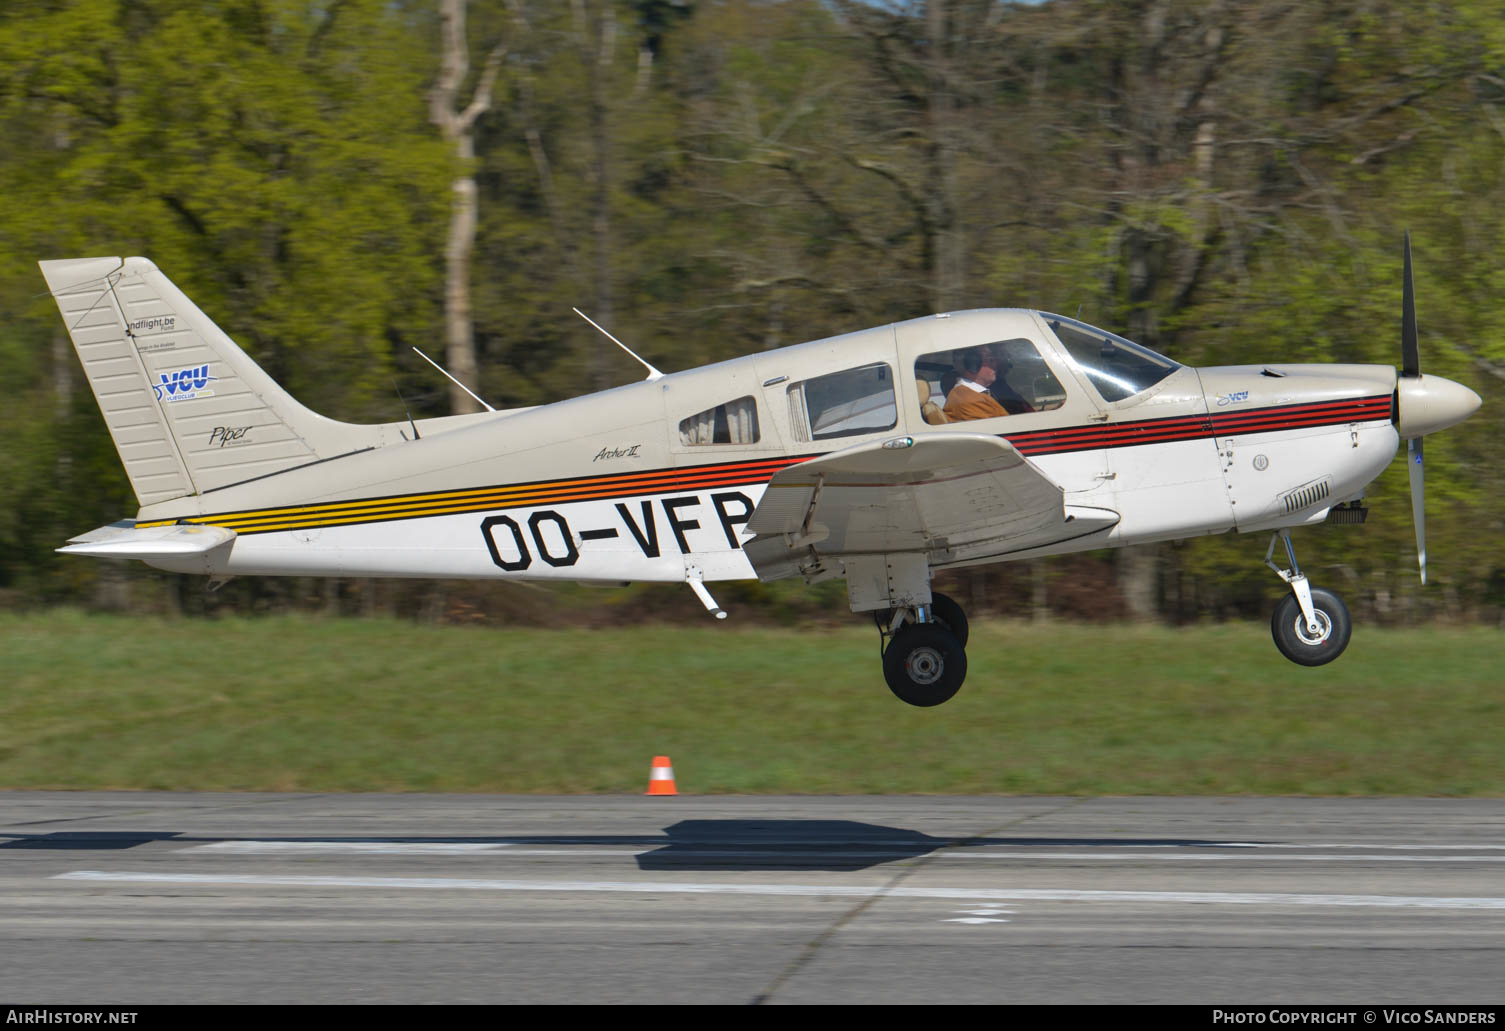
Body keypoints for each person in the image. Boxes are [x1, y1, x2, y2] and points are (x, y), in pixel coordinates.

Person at [942, 349, 1010, 422]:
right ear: (973, 366)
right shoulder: (969, 401)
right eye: (990, 361)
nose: (995, 365)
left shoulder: (972, 394)